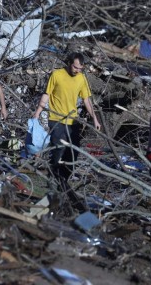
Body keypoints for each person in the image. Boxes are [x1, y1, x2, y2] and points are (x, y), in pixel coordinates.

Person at [32, 52, 101, 208]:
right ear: (69, 63)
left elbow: (86, 100)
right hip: (56, 120)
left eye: (80, 68)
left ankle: (62, 179)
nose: (77, 70)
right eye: (75, 67)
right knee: (58, 150)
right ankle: (53, 179)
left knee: (73, 153)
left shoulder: (82, 78)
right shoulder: (57, 74)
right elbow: (46, 94)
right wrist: (37, 113)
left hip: (72, 121)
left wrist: (95, 118)